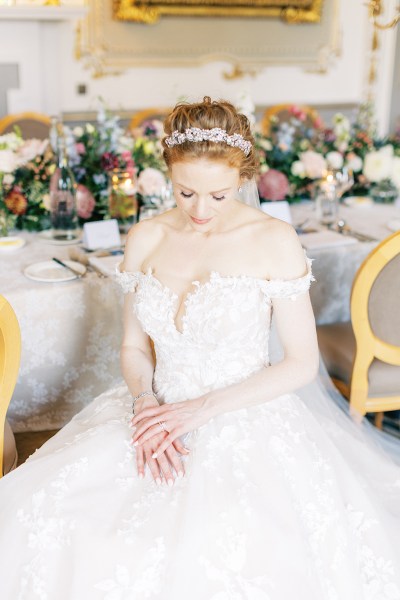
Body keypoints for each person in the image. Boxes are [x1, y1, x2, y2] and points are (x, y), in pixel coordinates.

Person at [1, 97, 399, 599]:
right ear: (168, 173)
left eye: (220, 195)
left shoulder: (273, 240)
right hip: (153, 410)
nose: (200, 210)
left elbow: (301, 363)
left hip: (243, 415)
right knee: (60, 521)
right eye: (186, 192)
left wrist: (196, 412)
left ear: (243, 177)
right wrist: (147, 403)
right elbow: (133, 346)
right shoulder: (145, 236)